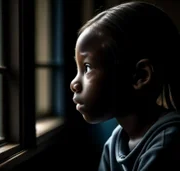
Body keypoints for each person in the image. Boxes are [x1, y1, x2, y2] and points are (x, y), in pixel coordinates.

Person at [70, 1, 180, 170]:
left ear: (140, 76)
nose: (74, 83)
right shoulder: (115, 141)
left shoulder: (169, 144)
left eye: (87, 68)